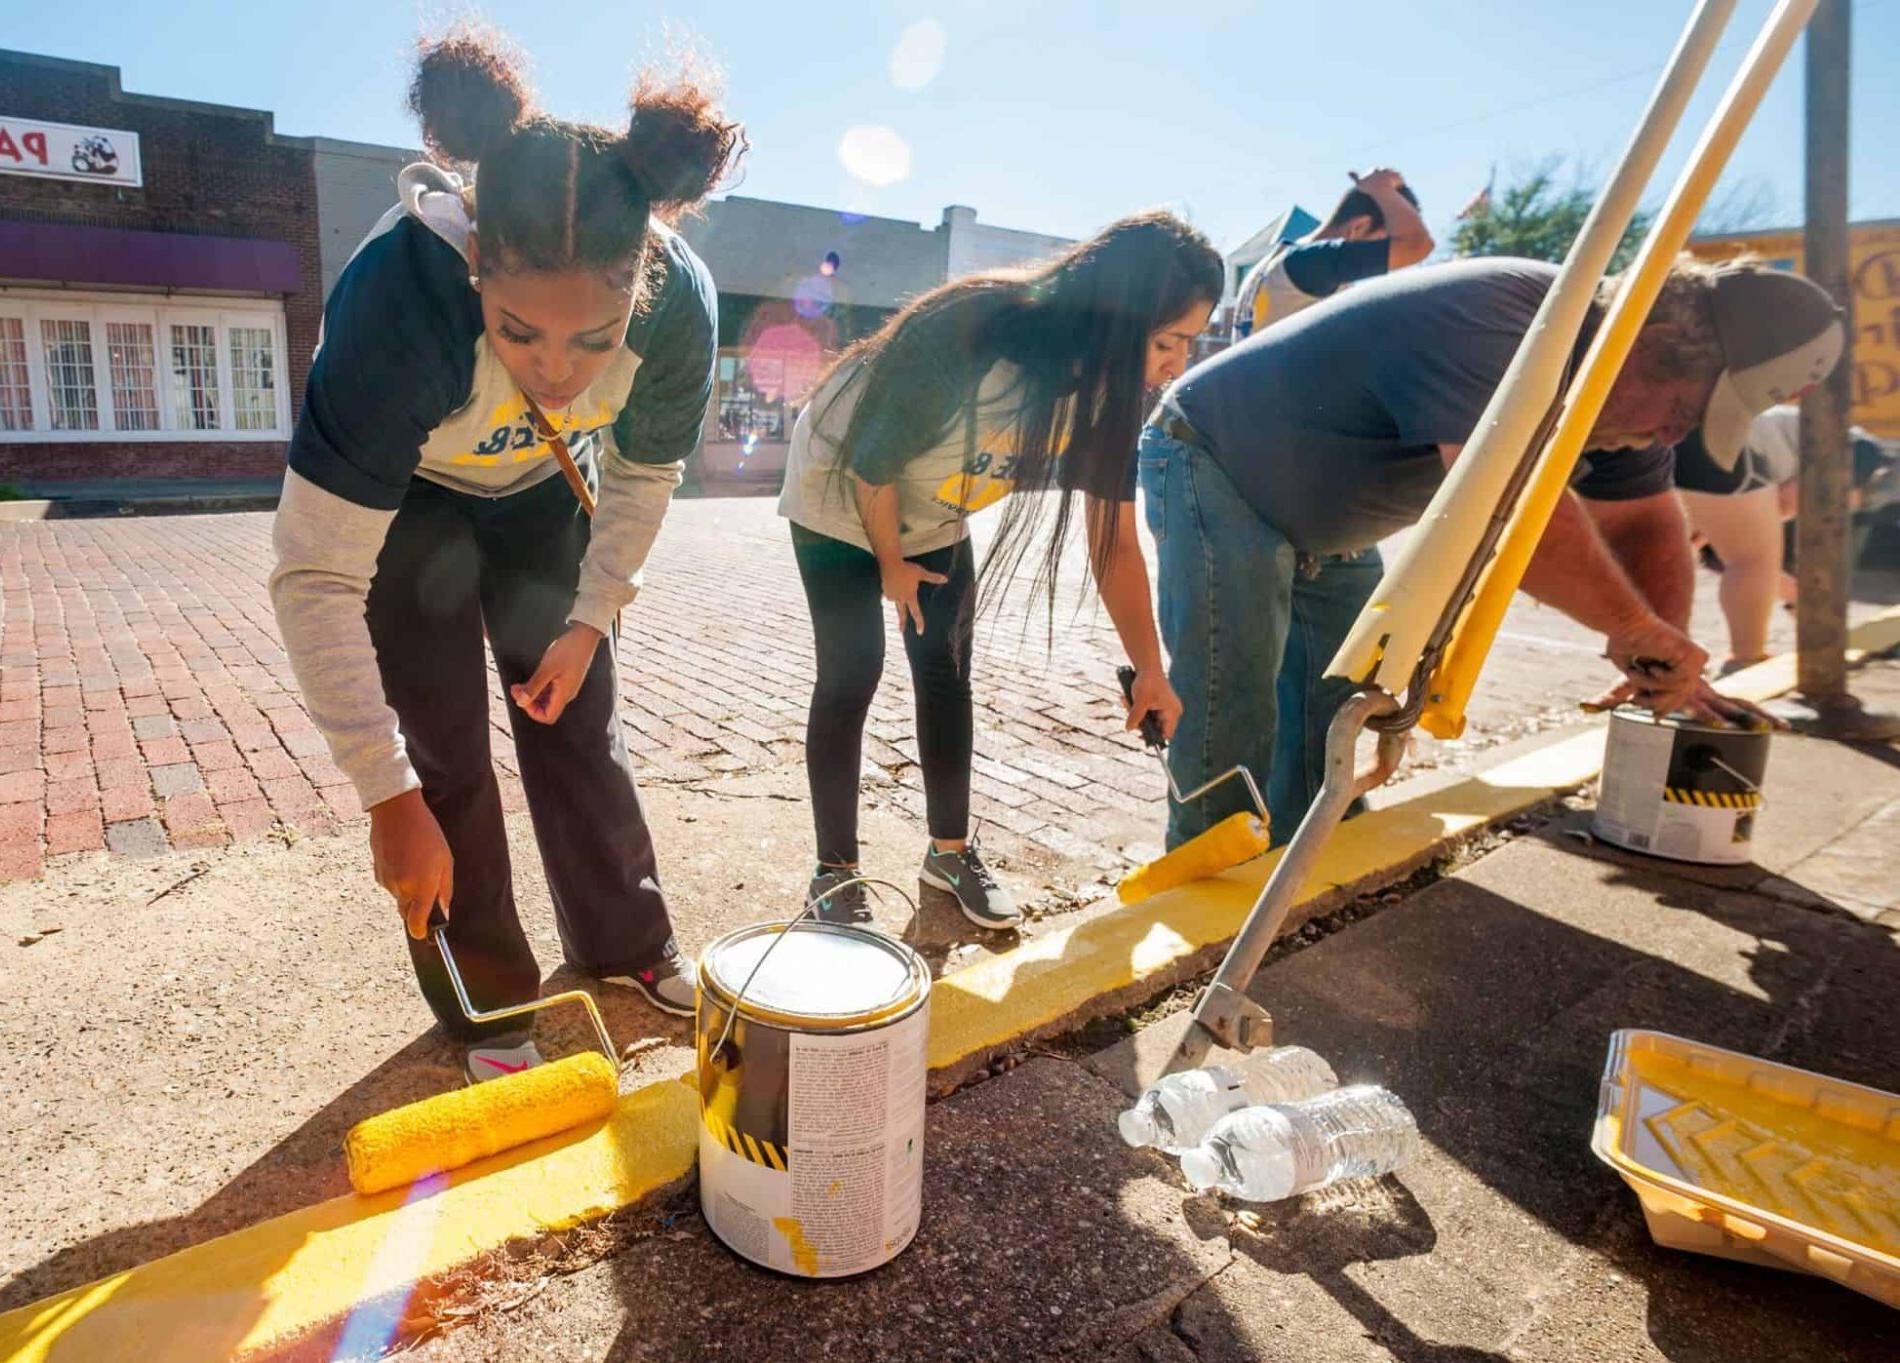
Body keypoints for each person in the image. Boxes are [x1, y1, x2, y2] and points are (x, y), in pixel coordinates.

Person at [270, 30, 744, 1080]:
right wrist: (385, 797)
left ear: (641, 285)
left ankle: (628, 942)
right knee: (443, 757)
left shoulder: (679, 311)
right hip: (414, 504)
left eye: (595, 335)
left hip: (539, 493)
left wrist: (585, 622)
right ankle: (486, 999)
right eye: (522, 332)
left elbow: (640, 477)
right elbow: (314, 575)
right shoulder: (398, 304)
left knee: (579, 715)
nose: (560, 370)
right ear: (475, 260)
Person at [1144, 254, 1843, 849]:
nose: (1669, 438)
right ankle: (1209, 881)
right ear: (1653, 344)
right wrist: (1630, 629)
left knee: (1335, 701)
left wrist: (1667, 659)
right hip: (1213, 458)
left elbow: (1644, 525)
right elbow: (1504, 506)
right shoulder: (1509, 322)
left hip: (1325, 516)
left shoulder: (1622, 392)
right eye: (1683, 414)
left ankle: (1308, 858)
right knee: (1230, 689)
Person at [778, 214, 1226, 927]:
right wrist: (891, 563)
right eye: (1167, 341)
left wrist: (1150, 667)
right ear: (1116, 316)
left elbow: (1113, 539)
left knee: (947, 666)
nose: (1177, 364)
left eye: (1188, 344)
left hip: (934, 503)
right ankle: (835, 872)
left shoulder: (1105, 393)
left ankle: (948, 851)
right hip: (844, 482)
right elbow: (872, 460)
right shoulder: (976, 321)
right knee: (851, 669)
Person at [1674, 405, 1897, 670]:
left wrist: (1800, 601)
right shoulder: (1861, 453)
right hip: (1730, 445)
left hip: (1687, 439)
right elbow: (1788, 499)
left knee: (1705, 557)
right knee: (1753, 558)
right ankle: (1746, 656)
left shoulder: (1844, 451)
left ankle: (1664, 651)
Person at [1231, 169, 1434, 340]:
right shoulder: (1313, 263)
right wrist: (1381, 188)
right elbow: (1417, 246)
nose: (1385, 261)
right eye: (1384, 242)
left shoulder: (1278, 266)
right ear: (1358, 227)